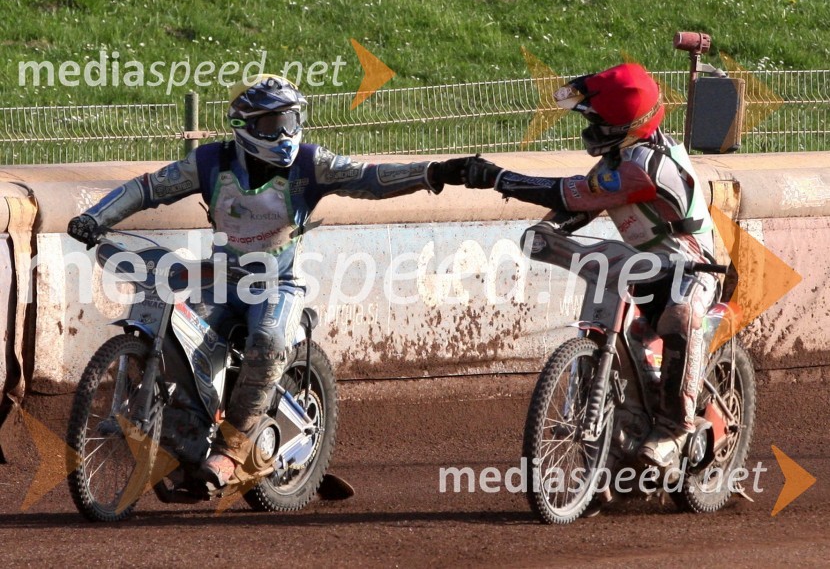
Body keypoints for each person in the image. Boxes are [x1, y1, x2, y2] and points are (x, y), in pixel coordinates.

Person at [67, 74, 466, 488]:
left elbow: (371, 178)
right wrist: (95, 218)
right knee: (176, 337)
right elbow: (148, 188)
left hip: (278, 285)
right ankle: (184, 436)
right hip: (218, 279)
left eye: (292, 121)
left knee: (269, 342)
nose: (286, 133)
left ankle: (234, 450)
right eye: (274, 124)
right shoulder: (209, 163)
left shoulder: (311, 164)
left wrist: (434, 172)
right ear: (243, 125)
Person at [450, 63, 718, 468]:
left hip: (692, 269)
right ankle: (611, 448)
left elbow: (569, 193)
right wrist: (551, 230)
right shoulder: (620, 158)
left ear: (626, 123)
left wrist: (496, 178)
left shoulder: (641, 167)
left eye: (598, 120)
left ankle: (675, 429)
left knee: (679, 319)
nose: (590, 129)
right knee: (610, 299)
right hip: (648, 266)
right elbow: (579, 207)